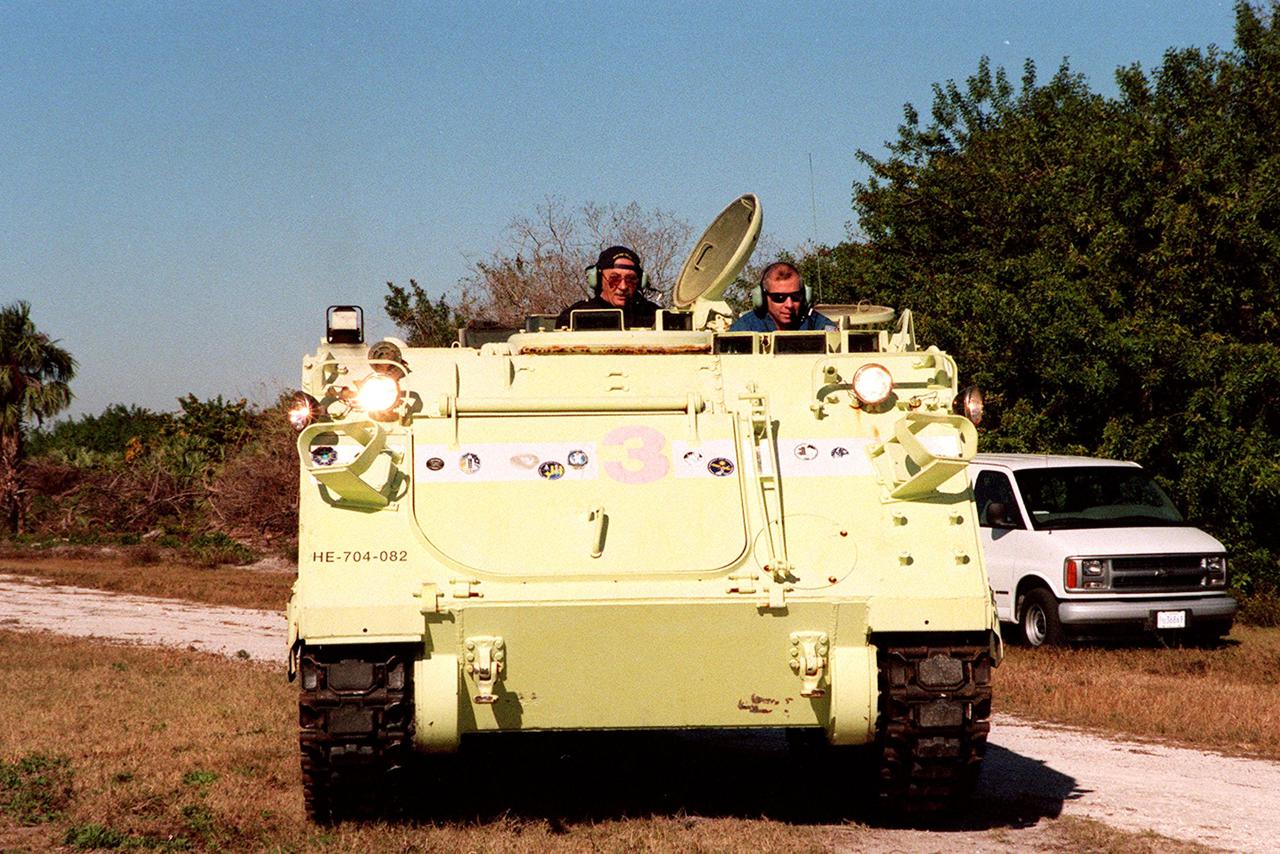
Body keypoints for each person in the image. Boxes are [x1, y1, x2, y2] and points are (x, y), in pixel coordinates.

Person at [557, 246, 661, 329]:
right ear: (598, 279)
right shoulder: (573, 316)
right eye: (614, 279)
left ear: (640, 282)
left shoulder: (656, 316)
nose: (623, 286)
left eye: (630, 279)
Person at [729, 261, 835, 332]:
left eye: (795, 296)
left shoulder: (815, 323)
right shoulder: (746, 328)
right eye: (779, 298)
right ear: (762, 298)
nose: (789, 304)